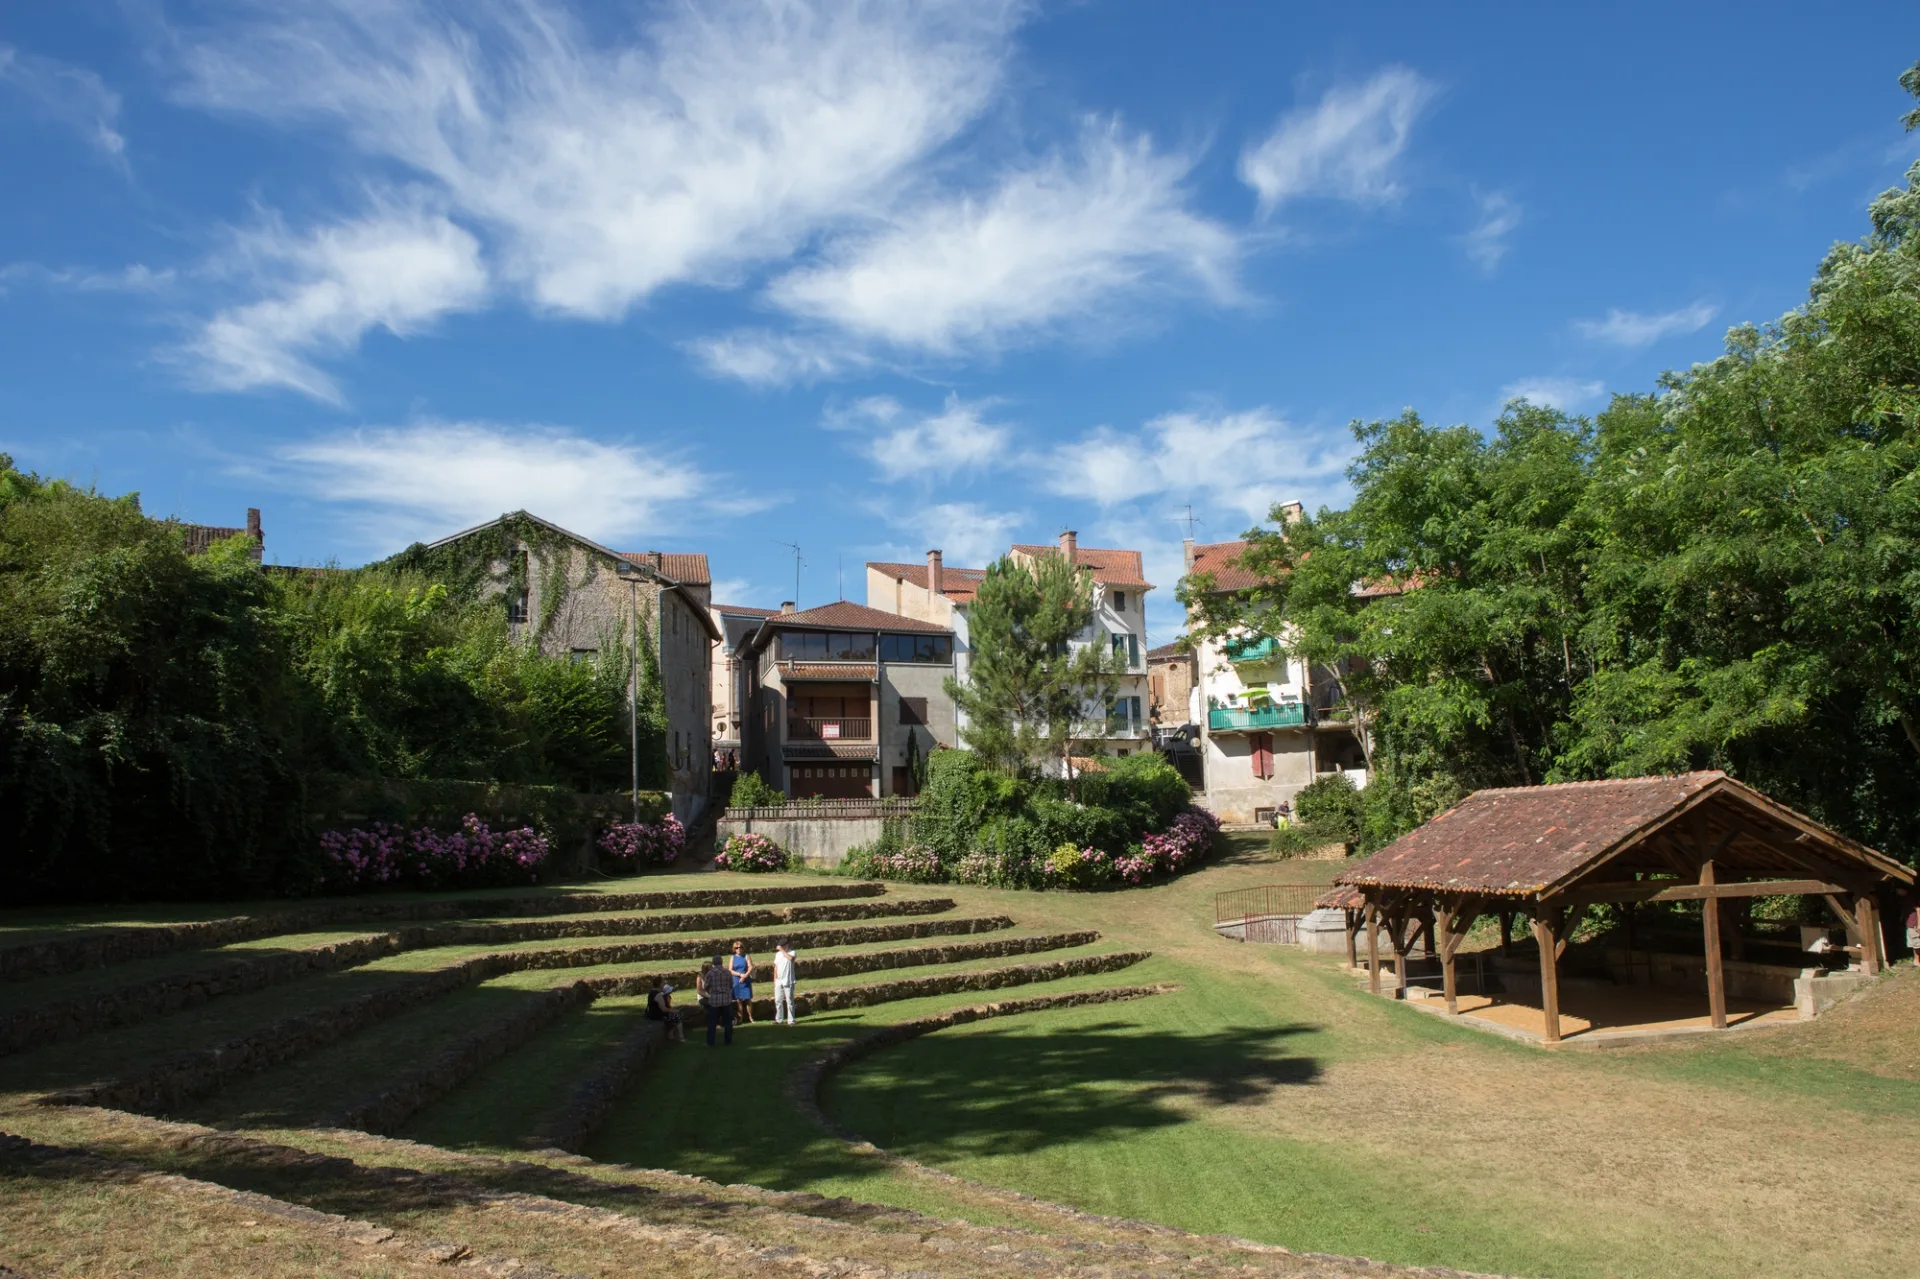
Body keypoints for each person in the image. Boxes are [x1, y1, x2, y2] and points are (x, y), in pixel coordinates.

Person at [698, 956, 735, 1046]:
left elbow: (706, 986)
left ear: (713, 963)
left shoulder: (710, 973)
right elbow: (731, 985)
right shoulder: (727, 972)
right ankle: (728, 1041)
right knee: (727, 1022)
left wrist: (712, 990)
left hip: (714, 1000)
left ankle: (710, 1042)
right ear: (722, 962)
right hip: (726, 999)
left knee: (712, 1022)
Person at [645, 975, 684, 1043]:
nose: (664, 985)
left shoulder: (652, 992)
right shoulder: (658, 995)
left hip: (654, 1014)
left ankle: (671, 1034)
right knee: (677, 1016)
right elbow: (664, 1009)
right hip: (657, 1015)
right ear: (660, 984)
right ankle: (680, 1037)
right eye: (663, 983)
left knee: (676, 1016)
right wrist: (674, 1011)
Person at [730, 940, 756, 1024]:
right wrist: (740, 975)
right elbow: (730, 970)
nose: (739, 949)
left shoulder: (746, 956)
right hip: (737, 980)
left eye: (740, 947)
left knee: (748, 999)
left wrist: (745, 975)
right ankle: (740, 1018)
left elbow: (750, 967)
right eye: (736, 948)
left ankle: (750, 1017)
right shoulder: (732, 957)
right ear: (734, 949)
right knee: (739, 1000)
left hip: (746, 979)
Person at [772, 942, 798, 1026]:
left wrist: (782, 950)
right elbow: (775, 967)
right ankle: (779, 1019)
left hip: (788, 980)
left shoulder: (792, 952)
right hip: (779, 980)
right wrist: (775, 981)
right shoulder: (777, 954)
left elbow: (791, 959)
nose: (782, 947)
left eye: (784, 945)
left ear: (787, 945)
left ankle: (791, 1020)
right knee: (778, 1000)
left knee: (789, 1001)